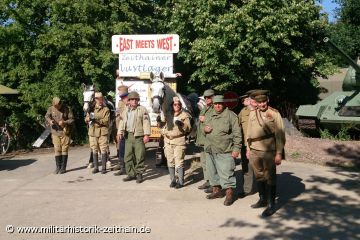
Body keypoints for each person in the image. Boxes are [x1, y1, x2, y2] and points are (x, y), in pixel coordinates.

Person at [246, 90, 285, 217]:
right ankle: (262, 199)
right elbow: (248, 132)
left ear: (267, 100)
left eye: (264, 101)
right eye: (259, 102)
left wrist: (279, 153)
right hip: (254, 150)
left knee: (270, 177)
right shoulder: (253, 113)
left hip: (269, 150)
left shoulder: (274, 113)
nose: (262, 104)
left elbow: (280, 135)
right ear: (256, 103)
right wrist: (248, 148)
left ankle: (271, 205)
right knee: (259, 175)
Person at [204, 95, 242, 206]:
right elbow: (203, 129)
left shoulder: (231, 116)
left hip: (224, 149)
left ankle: (229, 195)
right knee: (212, 172)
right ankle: (217, 192)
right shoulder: (210, 114)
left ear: (224, 104)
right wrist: (205, 129)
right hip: (210, 148)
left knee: (227, 173)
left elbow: (237, 134)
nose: (217, 105)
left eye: (220, 103)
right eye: (215, 104)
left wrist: (236, 149)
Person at [117, 91, 151, 183]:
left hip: (138, 137)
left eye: (136, 99)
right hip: (128, 136)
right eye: (132, 99)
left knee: (139, 156)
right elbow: (121, 121)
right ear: (129, 101)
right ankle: (131, 174)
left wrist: (146, 135)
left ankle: (139, 174)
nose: (134, 101)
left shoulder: (142, 110)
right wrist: (120, 132)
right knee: (127, 156)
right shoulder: (126, 110)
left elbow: (146, 123)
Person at [158, 96, 191, 189]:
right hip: (168, 141)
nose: (177, 106)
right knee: (170, 161)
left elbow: (188, 128)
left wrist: (182, 124)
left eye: (178, 104)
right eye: (175, 104)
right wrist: (159, 122)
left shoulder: (184, 115)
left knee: (179, 161)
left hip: (179, 141)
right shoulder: (168, 115)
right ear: (171, 105)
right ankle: (173, 180)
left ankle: (180, 182)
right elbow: (162, 127)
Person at [45, 97, 74, 174]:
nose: (57, 106)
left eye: (58, 105)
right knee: (57, 149)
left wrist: (64, 122)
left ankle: (63, 168)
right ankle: (58, 167)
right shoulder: (51, 109)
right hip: (55, 132)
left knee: (64, 149)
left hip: (65, 132)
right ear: (53, 104)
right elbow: (47, 116)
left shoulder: (67, 108)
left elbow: (72, 120)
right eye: (55, 105)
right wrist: (50, 121)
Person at [237, 90, 258, 198]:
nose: (243, 101)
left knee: (261, 169)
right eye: (243, 100)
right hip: (246, 145)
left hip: (259, 145)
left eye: (245, 99)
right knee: (246, 168)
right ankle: (247, 190)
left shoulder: (259, 110)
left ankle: (264, 191)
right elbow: (238, 127)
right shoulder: (242, 112)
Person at [85, 92, 110, 174]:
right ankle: (96, 167)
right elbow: (86, 118)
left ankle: (103, 168)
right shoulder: (91, 108)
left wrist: (96, 119)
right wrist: (88, 119)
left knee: (103, 149)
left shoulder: (106, 109)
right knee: (94, 149)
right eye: (97, 99)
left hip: (102, 131)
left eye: (100, 98)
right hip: (92, 132)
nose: (99, 100)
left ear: (102, 99)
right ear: (95, 100)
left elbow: (106, 121)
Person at [195, 89, 215, 192]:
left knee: (211, 162)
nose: (207, 99)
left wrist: (205, 120)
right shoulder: (204, 108)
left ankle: (213, 183)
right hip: (202, 140)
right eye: (205, 97)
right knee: (204, 162)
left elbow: (216, 122)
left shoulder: (215, 108)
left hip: (209, 140)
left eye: (209, 97)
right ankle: (207, 180)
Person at [114, 85, 129, 176]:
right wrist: (118, 130)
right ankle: (122, 166)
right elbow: (118, 117)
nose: (120, 96)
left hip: (128, 130)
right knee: (121, 148)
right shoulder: (120, 103)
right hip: (120, 129)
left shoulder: (130, 102)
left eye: (122, 94)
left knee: (128, 150)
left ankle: (128, 167)